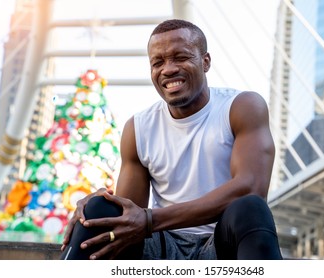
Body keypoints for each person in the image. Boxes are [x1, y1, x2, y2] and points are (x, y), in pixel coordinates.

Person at [60, 19, 283, 260]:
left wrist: (149, 219)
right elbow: (128, 215)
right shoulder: (139, 127)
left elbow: (251, 189)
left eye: (181, 57)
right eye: (158, 62)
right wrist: (99, 205)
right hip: (162, 246)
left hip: (221, 246)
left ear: (205, 62)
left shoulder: (241, 107)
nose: (168, 69)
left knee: (250, 208)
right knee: (96, 209)